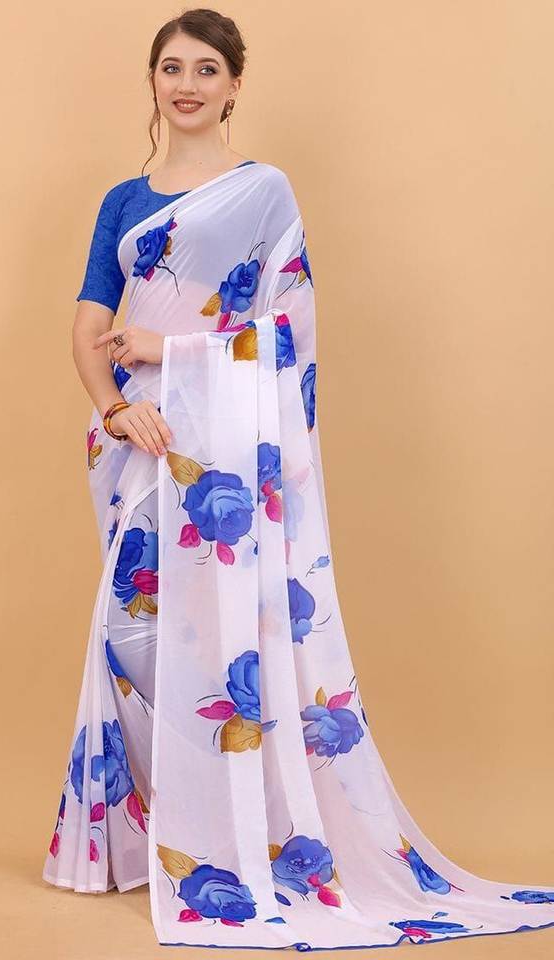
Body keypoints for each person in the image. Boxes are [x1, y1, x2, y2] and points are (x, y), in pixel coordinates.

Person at [42, 8, 554, 951]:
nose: (187, 84)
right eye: (171, 68)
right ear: (151, 81)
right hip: (135, 443)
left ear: (235, 85)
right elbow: (86, 329)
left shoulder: (264, 193)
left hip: (225, 447)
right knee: (133, 637)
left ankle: (239, 833)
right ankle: (166, 830)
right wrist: (117, 408)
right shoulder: (123, 199)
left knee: (223, 635)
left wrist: (174, 351)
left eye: (206, 69)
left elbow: (289, 333)